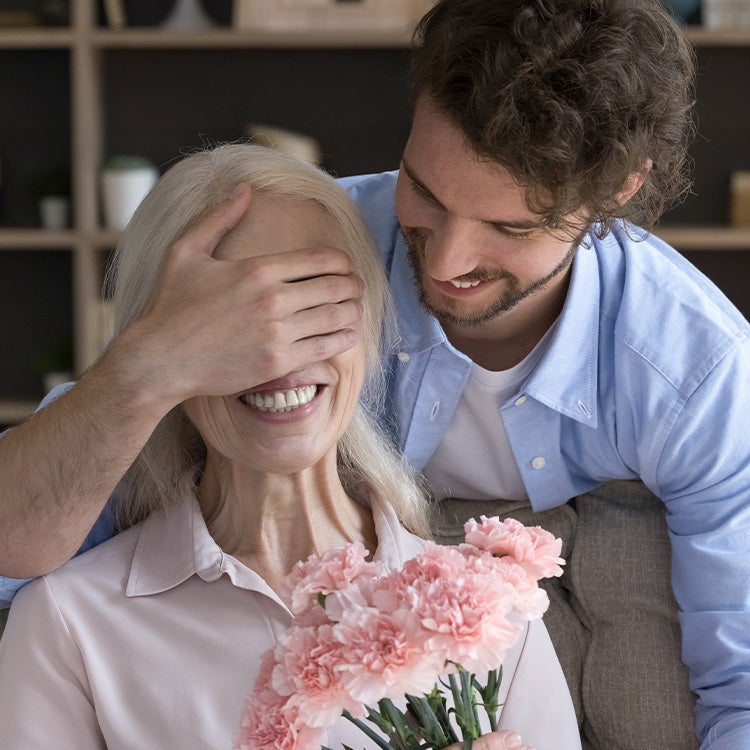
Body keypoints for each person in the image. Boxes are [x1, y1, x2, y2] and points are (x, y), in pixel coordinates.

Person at [0, 0, 748, 747]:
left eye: (510, 227)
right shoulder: (312, 244)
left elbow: (739, 683)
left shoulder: (693, 367)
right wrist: (153, 359)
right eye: (424, 190)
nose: (447, 263)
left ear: (616, 193)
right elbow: (34, 526)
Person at [0, 144, 579, 749]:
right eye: (226, 320)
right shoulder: (69, 623)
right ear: (158, 349)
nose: (276, 353)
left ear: (372, 321)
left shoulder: (488, 613)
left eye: (312, 298)